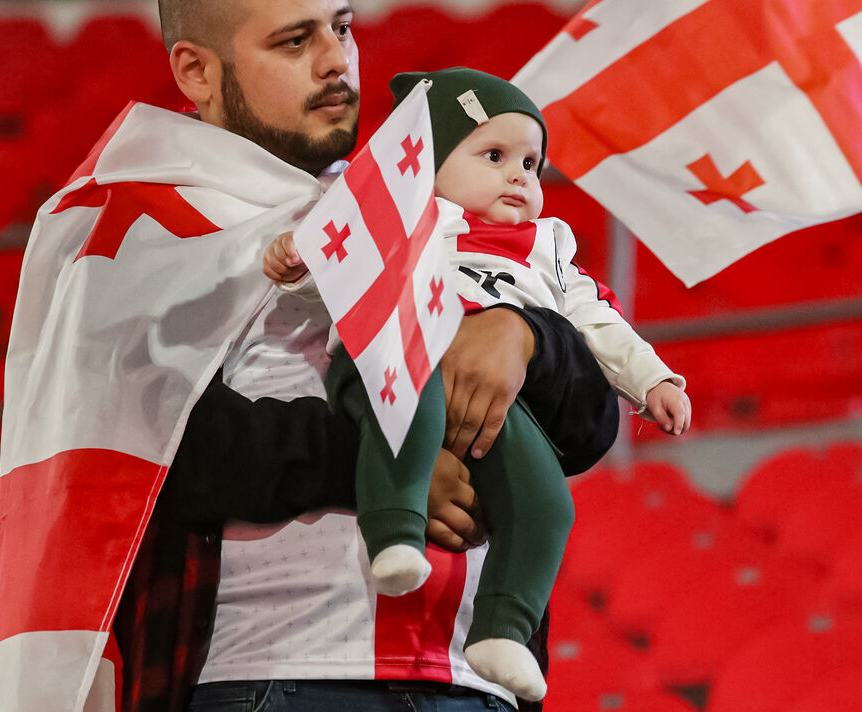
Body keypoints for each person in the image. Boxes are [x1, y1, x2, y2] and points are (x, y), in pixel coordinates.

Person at [0, 0, 622, 712]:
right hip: (276, 674)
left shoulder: (419, 206)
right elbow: (161, 454)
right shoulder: (140, 227)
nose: (335, 62)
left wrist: (529, 338)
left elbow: (588, 428)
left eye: (342, 29)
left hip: (472, 681)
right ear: (196, 70)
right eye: (294, 41)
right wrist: (390, 461)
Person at [263, 67, 691, 701]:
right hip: (391, 360)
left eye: (531, 164)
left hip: (493, 404)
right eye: (494, 156)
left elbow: (600, 322)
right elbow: (338, 264)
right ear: (428, 163)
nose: (519, 176)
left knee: (548, 502)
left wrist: (653, 381)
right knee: (412, 418)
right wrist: (298, 262)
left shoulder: (548, 252)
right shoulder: (405, 218)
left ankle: (504, 630)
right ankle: (394, 535)